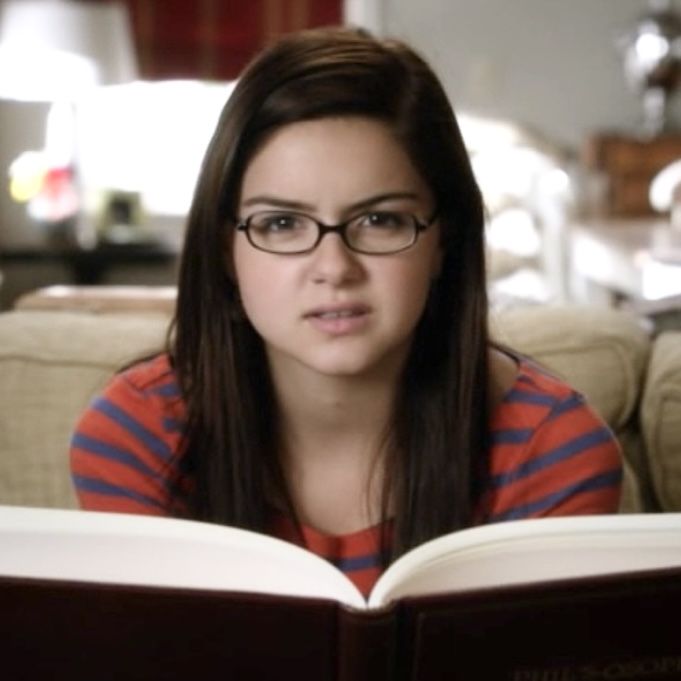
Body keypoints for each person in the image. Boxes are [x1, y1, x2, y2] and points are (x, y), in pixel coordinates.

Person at [70, 27, 622, 598]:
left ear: (443, 243)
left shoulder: (555, 454)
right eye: (281, 224)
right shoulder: (136, 438)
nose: (334, 266)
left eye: (380, 220)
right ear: (225, 252)